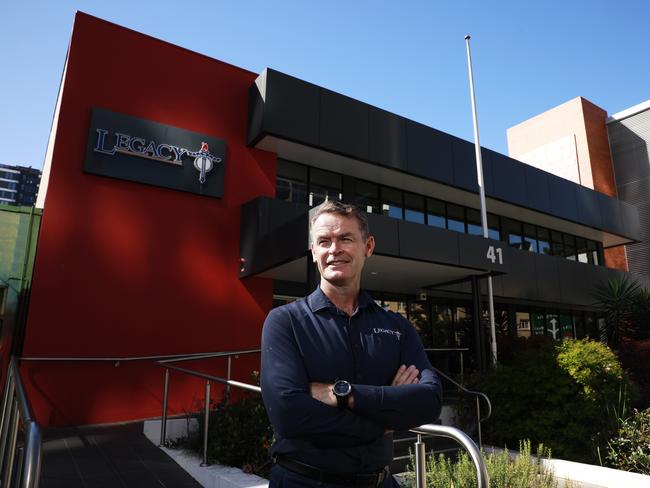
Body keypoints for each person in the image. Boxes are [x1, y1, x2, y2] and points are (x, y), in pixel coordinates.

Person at [261, 200, 443, 487]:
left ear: (368, 246)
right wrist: (386, 418)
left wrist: (344, 395)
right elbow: (289, 416)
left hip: (379, 481)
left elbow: (429, 401)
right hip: (304, 481)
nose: (334, 250)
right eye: (324, 241)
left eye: (345, 238)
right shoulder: (285, 322)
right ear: (313, 252)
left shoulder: (397, 327)